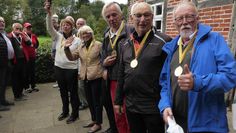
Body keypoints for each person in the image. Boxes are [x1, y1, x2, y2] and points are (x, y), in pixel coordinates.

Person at [158, 1, 236, 133]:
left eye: (189, 17)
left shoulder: (215, 39)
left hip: (206, 123)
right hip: (176, 121)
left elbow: (230, 77)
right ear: (175, 22)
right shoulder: (172, 47)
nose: (184, 22)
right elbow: (165, 83)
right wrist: (164, 105)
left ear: (197, 18)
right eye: (180, 18)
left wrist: (197, 82)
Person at [114, 2, 171, 133]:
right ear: (131, 18)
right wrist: (117, 101)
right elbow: (121, 73)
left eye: (146, 15)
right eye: (138, 15)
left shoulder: (165, 41)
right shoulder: (125, 44)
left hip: (152, 107)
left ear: (152, 17)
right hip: (131, 106)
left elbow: (168, 77)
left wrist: (167, 103)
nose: (142, 20)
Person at [45, 2, 80, 124]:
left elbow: (78, 57)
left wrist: (79, 71)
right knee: (63, 92)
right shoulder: (58, 37)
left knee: (73, 93)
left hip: (71, 70)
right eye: (63, 24)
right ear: (61, 26)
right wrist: (49, 14)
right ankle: (65, 111)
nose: (65, 26)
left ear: (72, 27)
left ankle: (74, 114)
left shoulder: (77, 40)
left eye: (68, 25)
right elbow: (49, 28)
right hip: (58, 68)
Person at [64, 25, 103, 133]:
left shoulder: (98, 45)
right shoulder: (81, 46)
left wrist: (104, 71)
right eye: (82, 34)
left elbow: (104, 59)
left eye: (87, 33)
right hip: (84, 77)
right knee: (89, 101)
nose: (85, 35)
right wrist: (66, 48)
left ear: (91, 33)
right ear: (80, 36)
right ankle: (94, 120)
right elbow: (72, 57)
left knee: (97, 102)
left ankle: (98, 123)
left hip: (96, 77)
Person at [101, 2, 131, 133]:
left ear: (121, 15)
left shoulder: (131, 31)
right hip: (113, 80)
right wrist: (104, 64)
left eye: (114, 15)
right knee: (118, 114)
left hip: (129, 79)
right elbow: (102, 55)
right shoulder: (106, 34)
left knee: (129, 115)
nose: (111, 19)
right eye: (108, 16)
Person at [8, 23, 30, 101]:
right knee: (15, 79)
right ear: (13, 29)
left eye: (20, 29)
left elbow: (29, 44)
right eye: (16, 29)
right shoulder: (9, 37)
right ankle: (16, 96)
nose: (18, 30)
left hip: (23, 60)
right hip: (14, 61)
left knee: (22, 77)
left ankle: (20, 93)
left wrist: (26, 38)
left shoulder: (22, 36)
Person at [0, 16, 14, 111]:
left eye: (3, 22)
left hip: (6, 63)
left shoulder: (3, 34)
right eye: (0, 22)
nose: (2, 23)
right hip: (1, 64)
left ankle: (3, 100)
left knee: (3, 84)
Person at [75, 17, 88, 110]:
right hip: (77, 66)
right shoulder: (75, 37)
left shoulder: (87, 36)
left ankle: (85, 102)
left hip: (86, 67)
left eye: (81, 24)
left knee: (82, 86)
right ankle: (83, 101)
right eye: (78, 24)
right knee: (80, 86)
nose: (79, 25)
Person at [23, 22, 39, 93]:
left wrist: (36, 48)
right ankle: (26, 87)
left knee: (33, 71)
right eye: (27, 27)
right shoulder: (22, 35)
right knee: (26, 72)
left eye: (30, 27)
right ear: (24, 28)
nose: (29, 29)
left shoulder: (33, 35)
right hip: (26, 57)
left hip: (33, 56)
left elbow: (37, 44)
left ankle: (33, 86)